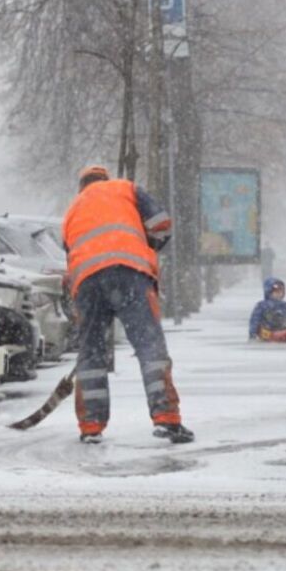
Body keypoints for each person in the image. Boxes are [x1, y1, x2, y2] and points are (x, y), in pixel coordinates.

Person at [61, 164, 194, 444]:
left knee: (91, 353)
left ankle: (91, 425)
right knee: (149, 347)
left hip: (87, 281)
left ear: (81, 186)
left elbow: (70, 254)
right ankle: (166, 418)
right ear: (104, 179)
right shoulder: (126, 188)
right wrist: (146, 246)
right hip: (130, 273)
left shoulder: (72, 209)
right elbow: (161, 223)